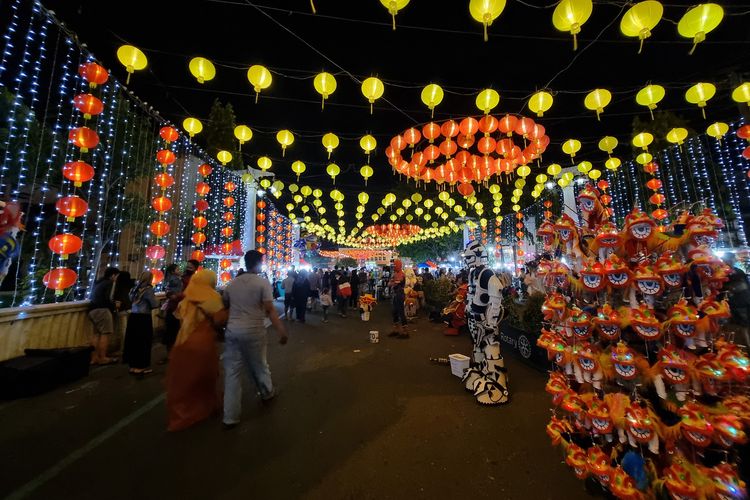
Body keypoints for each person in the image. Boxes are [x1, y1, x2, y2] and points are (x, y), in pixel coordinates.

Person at [222, 250, 288, 429]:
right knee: (259, 365)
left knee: (232, 373)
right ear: (258, 263)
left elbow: (225, 303)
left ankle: (230, 416)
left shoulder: (232, 284)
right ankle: (267, 393)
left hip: (232, 331)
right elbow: (270, 310)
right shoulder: (262, 283)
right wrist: (280, 330)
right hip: (253, 330)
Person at [167, 269, 226, 432]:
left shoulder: (186, 296)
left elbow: (178, 315)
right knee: (205, 376)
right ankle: (206, 407)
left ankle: (181, 415)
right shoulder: (212, 297)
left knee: (182, 381)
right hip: (203, 343)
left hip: (182, 342)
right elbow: (219, 320)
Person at [122, 271, 159, 376]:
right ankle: (140, 366)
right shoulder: (148, 290)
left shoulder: (134, 289)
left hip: (133, 317)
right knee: (143, 342)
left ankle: (133, 366)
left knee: (133, 341)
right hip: (143, 318)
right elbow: (154, 304)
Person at [87, 267, 119, 365]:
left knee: (96, 335)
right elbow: (109, 298)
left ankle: (94, 358)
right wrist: (115, 306)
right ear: (113, 275)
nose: (117, 278)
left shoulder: (98, 282)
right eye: (117, 276)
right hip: (103, 310)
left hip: (92, 310)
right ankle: (103, 357)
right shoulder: (110, 283)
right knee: (105, 334)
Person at [723, 254, 750, 345]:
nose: (732, 261)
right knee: (743, 326)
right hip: (736, 303)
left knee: (744, 325)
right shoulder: (722, 273)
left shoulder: (739, 271)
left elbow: (747, 285)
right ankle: (747, 344)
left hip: (745, 300)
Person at [162, 263, 183, 362]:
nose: (179, 270)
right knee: (173, 330)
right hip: (174, 306)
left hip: (172, 306)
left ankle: (171, 354)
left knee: (171, 331)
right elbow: (170, 292)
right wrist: (176, 295)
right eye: (178, 269)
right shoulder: (175, 279)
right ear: (172, 271)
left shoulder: (170, 279)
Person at [112, 271, 134, 354]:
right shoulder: (132, 285)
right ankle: (130, 347)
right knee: (130, 329)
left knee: (123, 330)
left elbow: (117, 298)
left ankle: (123, 349)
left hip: (122, 309)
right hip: (132, 308)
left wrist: (116, 308)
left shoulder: (118, 286)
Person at [388, 260, 409, 339]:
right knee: (394, 312)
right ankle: (396, 330)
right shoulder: (395, 274)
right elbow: (389, 284)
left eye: (395, 265)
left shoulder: (401, 274)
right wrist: (393, 282)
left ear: (398, 265)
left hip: (399, 295)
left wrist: (393, 282)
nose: (394, 266)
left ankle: (405, 331)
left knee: (401, 312)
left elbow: (393, 283)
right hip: (395, 295)